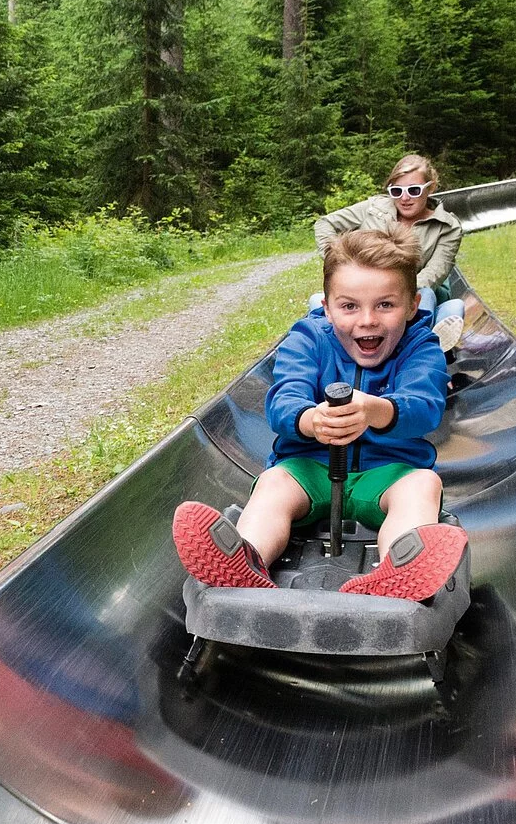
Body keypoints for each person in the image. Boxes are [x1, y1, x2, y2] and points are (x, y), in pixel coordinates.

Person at [171, 224, 468, 601]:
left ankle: (399, 572)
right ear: (326, 307)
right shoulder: (308, 340)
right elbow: (282, 401)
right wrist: (311, 420)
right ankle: (244, 561)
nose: (367, 320)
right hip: (310, 468)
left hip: (388, 472)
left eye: (385, 305)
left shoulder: (420, 346)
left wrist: (376, 410)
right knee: (274, 484)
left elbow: (426, 407)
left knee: (423, 485)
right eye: (349, 306)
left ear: (411, 305)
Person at [313, 152, 464, 305]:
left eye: (414, 190)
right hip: (362, 287)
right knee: (317, 301)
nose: (404, 198)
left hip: (415, 291)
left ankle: (423, 327)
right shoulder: (373, 208)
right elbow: (324, 223)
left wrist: (389, 290)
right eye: (397, 191)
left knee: (435, 299)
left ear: (430, 188)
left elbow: (435, 271)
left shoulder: (448, 226)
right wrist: (339, 261)